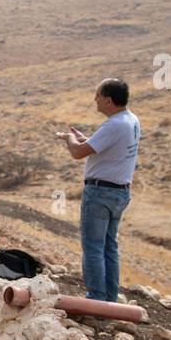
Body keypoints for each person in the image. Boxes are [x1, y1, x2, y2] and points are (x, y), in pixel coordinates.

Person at [56, 78, 141, 302]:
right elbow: (105, 148)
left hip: (100, 192)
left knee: (93, 247)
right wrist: (85, 139)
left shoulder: (114, 124)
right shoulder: (130, 120)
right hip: (120, 191)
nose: (95, 99)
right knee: (109, 247)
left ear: (109, 100)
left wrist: (71, 139)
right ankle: (109, 298)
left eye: (98, 95)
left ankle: (95, 298)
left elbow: (78, 153)